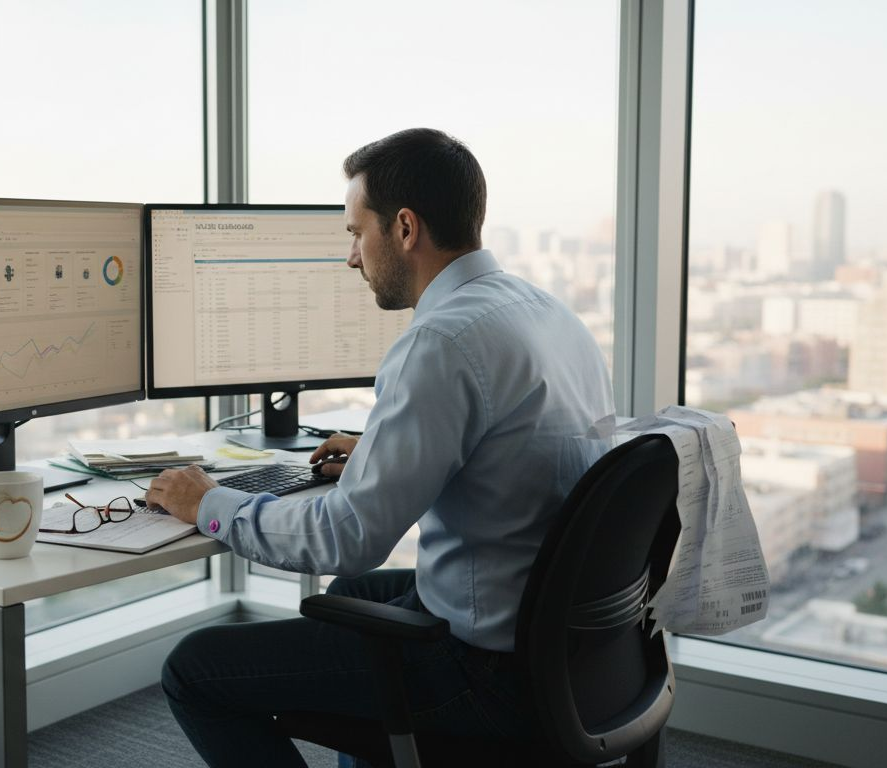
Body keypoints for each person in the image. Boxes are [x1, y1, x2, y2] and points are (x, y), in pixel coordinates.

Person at [147, 127, 614, 767]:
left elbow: (345, 537)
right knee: (347, 599)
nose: (351, 257)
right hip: (562, 639)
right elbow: (516, 446)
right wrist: (380, 449)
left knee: (194, 670)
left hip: (486, 670)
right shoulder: (546, 312)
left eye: (354, 233)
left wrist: (210, 504)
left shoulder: (441, 342)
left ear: (403, 228)